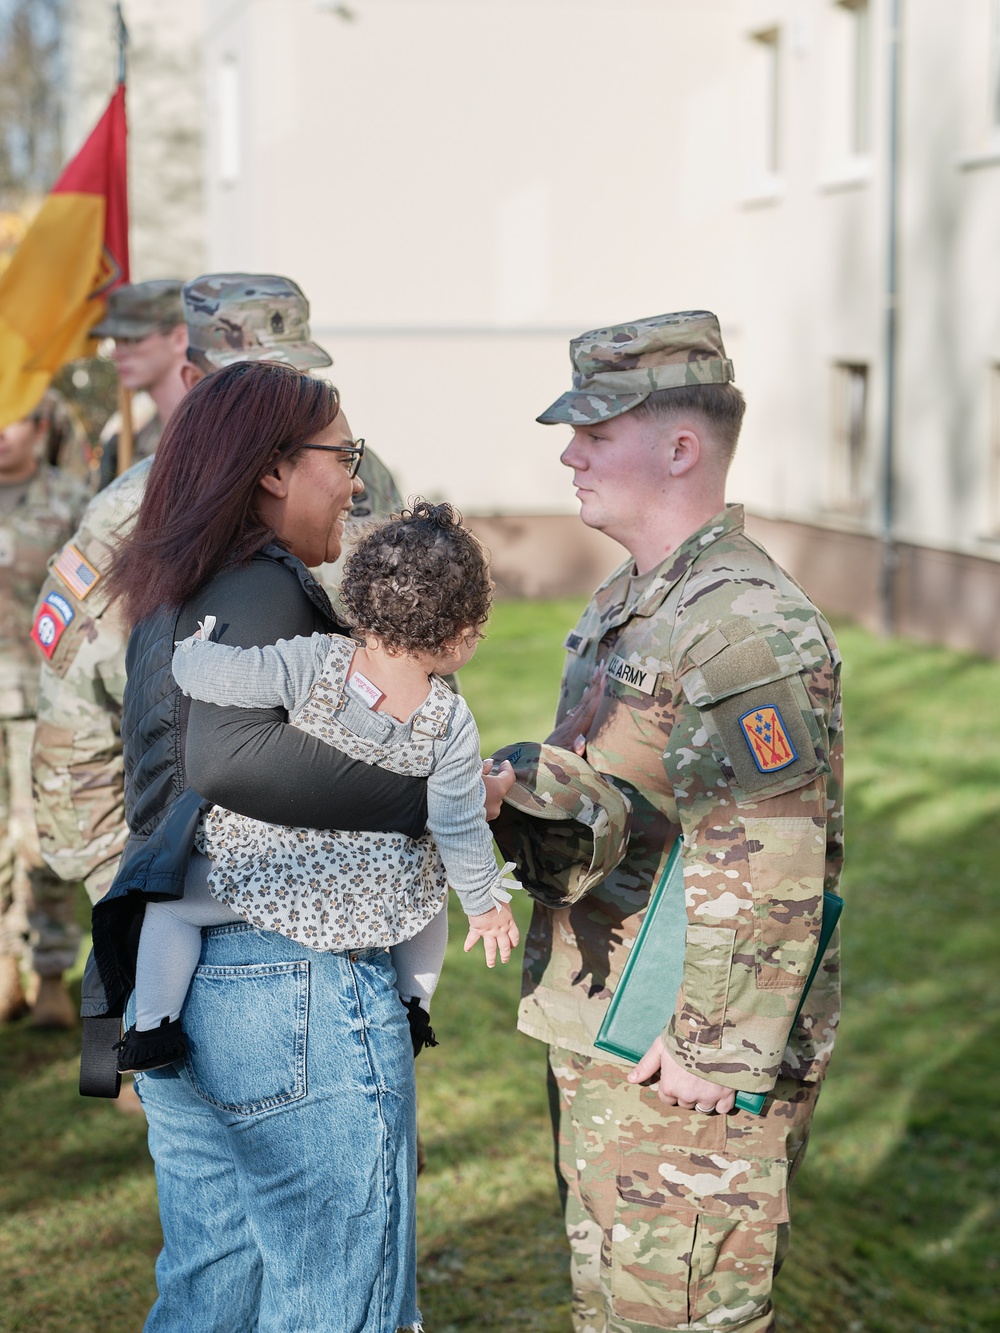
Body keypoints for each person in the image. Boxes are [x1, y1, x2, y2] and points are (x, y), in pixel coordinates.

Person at [89, 360, 513, 1331]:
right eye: (343, 455)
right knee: (337, 1303)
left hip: (185, 974)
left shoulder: (174, 584)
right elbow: (226, 756)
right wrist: (429, 797)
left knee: (211, 1289)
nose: (356, 481)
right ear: (276, 469)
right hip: (285, 979)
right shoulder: (260, 587)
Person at [517, 310, 844, 1333]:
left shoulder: (743, 625)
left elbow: (773, 853)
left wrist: (714, 1046)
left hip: (682, 1052)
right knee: (614, 1302)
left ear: (680, 446)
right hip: (611, 1018)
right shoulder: (640, 598)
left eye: (594, 432)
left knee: (677, 1315)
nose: (569, 453)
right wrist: (525, 791)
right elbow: (643, 802)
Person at [31, 272, 405, 919]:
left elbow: (413, 668)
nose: (278, 410)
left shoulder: (360, 487)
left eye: (295, 382)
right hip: (193, 888)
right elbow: (75, 721)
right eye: (250, 384)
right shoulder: (131, 512)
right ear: (196, 384)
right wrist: (130, 889)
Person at [112, 500, 519, 1073]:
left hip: (275, 878)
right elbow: (456, 823)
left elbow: (224, 678)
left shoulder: (313, 660)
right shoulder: (449, 719)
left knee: (175, 908)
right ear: (457, 637)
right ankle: (413, 1005)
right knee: (430, 902)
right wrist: (483, 905)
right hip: (377, 898)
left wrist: (191, 649)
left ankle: (153, 1027)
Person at [0, 392, 90, 1025]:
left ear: (40, 426)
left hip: (42, 698)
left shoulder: (71, 503)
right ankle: (4, 965)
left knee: (44, 836)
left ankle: (53, 971)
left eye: (15, 417)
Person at [91, 280, 190, 490]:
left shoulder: (220, 429)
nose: (116, 352)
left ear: (180, 338)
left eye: (132, 340)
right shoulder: (126, 441)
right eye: (115, 340)